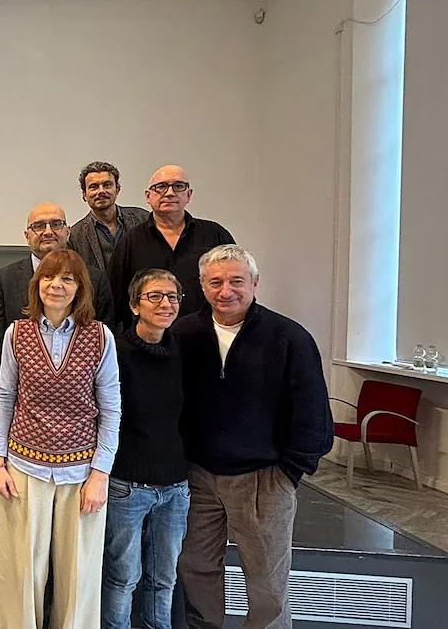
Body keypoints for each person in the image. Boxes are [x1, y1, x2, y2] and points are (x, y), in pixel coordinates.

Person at [172, 244, 332, 629]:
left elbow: (312, 411)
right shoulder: (182, 334)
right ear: (202, 286)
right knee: (196, 569)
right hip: (198, 477)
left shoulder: (288, 337)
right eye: (215, 282)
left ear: (255, 283)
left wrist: (289, 473)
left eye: (236, 281)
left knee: (267, 583)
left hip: (264, 479)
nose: (226, 291)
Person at [0, 249, 122, 629]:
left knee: (79, 577)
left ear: (81, 287)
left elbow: (111, 409)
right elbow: (5, 397)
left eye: (67, 278)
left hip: (81, 474)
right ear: (37, 284)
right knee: (18, 574)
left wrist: (101, 474)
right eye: (48, 277)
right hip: (22, 469)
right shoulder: (17, 333)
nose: (56, 285)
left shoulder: (100, 337)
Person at [101, 269, 189, 629]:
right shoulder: (115, 351)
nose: (165, 303)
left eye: (172, 296)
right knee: (123, 578)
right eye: (154, 296)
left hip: (175, 486)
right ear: (134, 305)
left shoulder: (183, 351)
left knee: (164, 578)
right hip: (127, 484)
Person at [0, 202, 114, 378]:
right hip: (21, 388)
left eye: (56, 224)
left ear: (68, 232)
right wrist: (24, 382)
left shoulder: (95, 278)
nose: (48, 232)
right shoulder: (3, 279)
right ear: (27, 236)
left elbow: (105, 341)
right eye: (38, 226)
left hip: (80, 386)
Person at [107, 165, 234, 330]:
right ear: (148, 196)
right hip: (150, 338)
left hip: (205, 335)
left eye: (178, 186)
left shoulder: (215, 236)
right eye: (161, 187)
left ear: (189, 195)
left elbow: (236, 284)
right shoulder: (130, 241)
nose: (169, 193)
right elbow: (115, 297)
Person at [67, 161, 151, 272]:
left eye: (107, 185)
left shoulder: (143, 218)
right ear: (84, 195)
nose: (101, 191)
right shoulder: (75, 236)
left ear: (117, 189)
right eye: (94, 187)